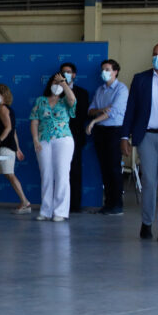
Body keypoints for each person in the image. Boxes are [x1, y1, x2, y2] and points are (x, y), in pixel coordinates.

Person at [121, 43, 158, 242]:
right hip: (146, 136)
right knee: (149, 182)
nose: (157, 57)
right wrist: (124, 136)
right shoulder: (140, 79)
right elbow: (130, 110)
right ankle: (147, 223)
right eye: (155, 54)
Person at [30, 72, 77, 222]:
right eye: (55, 83)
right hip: (44, 140)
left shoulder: (65, 100)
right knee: (46, 175)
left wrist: (63, 83)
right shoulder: (41, 100)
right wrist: (35, 140)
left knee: (62, 175)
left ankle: (60, 212)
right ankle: (46, 210)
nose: (57, 86)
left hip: (63, 140)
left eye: (60, 83)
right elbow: (34, 120)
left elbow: (72, 99)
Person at [87, 59, 128, 216]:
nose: (104, 72)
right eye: (103, 69)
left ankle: (117, 204)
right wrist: (100, 111)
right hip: (101, 132)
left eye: (107, 69)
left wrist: (94, 121)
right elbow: (91, 110)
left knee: (113, 168)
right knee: (104, 169)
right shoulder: (100, 90)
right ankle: (108, 204)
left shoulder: (121, 89)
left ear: (115, 71)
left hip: (114, 131)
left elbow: (113, 112)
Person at [0, 83, 31, 214]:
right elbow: (13, 131)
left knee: (9, 175)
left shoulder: (3, 109)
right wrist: (17, 148)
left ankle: (25, 202)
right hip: (7, 147)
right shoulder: (4, 109)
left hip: (4, 148)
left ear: (4, 96)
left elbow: (9, 128)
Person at [61, 62, 90, 213]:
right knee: (59, 172)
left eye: (69, 72)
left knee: (75, 171)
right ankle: (59, 204)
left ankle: (74, 205)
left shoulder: (82, 93)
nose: (66, 74)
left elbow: (81, 114)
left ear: (74, 75)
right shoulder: (55, 91)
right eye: (63, 72)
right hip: (56, 138)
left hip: (75, 137)